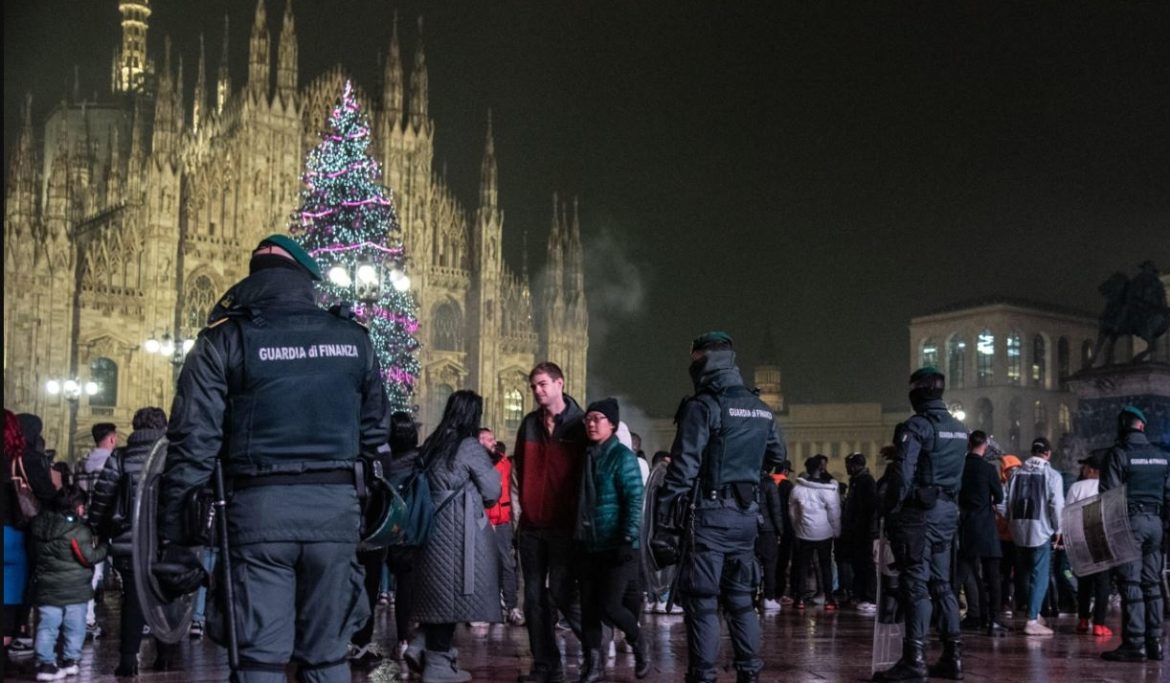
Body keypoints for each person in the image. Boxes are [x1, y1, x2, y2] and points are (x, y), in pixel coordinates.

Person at [156, 234, 389, 683]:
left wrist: (178, 540)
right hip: (335, 517)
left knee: (259, 658)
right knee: (328, 657)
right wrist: (366, 515)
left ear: (253, 280)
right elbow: (376, 439)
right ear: (305, 280)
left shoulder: (224, 339)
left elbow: (193, 444)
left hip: (257, 515)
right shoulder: (353, 339)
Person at [652, 331, 787, 683]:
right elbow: (778, 455)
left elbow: (683, 469)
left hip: (709, 517)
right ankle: (749, 674)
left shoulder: (703, 406)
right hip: (746, 517)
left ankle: (703, 676)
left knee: (703, 601)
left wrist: (664, 522)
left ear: (702, 359)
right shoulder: (761, 408)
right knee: (742, 600)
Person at [874, 368, 967, 683]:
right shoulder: (959, 429)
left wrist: (890, 506)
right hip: (947, 512)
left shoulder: (917, 426)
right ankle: (953, 658)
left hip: (919, 515)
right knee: (942, 584)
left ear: (916, 393)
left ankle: (914, 660)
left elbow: (903, 474)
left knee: (915, 584)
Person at [410, 391, 501, 683]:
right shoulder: (468, 446)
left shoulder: (433, 443)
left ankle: (420, 645)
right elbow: (493, 489)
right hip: (458, 530)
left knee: (439, 592)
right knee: (452, 596)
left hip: (430, 527)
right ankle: (437, 667)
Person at [512, 361, 589, 683]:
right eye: (533, 386)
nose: (537, 391)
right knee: (532, 599)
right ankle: (545, 664)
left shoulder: (580, 425)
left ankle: (595, 646)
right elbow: (520, 467)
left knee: (561, 592)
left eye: (542, 384)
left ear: (560, 383)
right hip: (532, 526)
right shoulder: (529, 424)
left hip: (564, 526)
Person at [89, 406, 179, 676]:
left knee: (132, 599)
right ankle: (165, 656)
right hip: (164, 541)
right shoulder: (173, 455)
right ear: (163, 427)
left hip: (129, 541)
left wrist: (96, 526)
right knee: (164, 595)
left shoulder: (121, 456)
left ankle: (128, 660)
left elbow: (103, 495)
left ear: (136, 427)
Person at [575, 398, 649, 681]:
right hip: (589, 543)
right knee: (589, 609)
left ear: (613, 425)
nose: (592, 424)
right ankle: (594, 665)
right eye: (588, 419)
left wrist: (627, 536)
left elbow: (634, 500)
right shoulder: (587, 456)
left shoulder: (622, 457)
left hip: (617, 545)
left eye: (598, 419)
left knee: (610, 605)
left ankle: (638, 640)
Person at [1099, 406, 1170, 661]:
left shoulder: (1118, 454)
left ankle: (1135, 643)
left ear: (1122, 426)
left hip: (1130, 523)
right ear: (1142, 426)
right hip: (1156, 524)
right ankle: (1155, 644)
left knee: (1131, 582)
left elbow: (1109, 497)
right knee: (1152, 583)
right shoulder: (1162, 457)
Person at [29, 486, 107, 682]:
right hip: (75, 590)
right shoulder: (78, 531)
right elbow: (89, 558)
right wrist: (105, 547)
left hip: (47, 589)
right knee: (75, 626)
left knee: (47, 626)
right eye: (83, 505)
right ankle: (71, 661)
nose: (84, 510)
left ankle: (46, 664)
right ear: (77, 506)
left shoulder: (39, 525)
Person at [1005, 436, 1065, 637]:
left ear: (1032, 452)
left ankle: (1033, 611)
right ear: (1048, 454)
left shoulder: (1015, 474)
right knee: (1040, 576)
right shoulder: (1052, 475)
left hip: (1018, 530)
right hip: (1040, 531)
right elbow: (1056, 505)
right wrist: (1058, 529)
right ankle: (1031, 620)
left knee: (1022, 573)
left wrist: (1010, 521)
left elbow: (1003, 501)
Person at [956, 430, 1007, 636]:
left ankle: (967, 615)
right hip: (986, 527)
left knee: (965, 573)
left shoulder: (960, 467)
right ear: (985, 446)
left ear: (968, 444)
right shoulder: (988, 469)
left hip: (966, 527)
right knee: (992, 577)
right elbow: (999, 496)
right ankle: (994, 621)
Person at [384, 412, 422, 661]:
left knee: (401, 587)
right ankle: (411, 638)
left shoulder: (385, 463)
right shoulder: (419, 463)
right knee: (412, 586)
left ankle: (402, 638)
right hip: (415, 531)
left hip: (391, 532)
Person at [1066, 451, 1112, 638]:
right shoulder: (1110, 486)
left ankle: (1083, 620)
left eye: (1084, 467)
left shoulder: (1076, 487)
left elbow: (1067, 514)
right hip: (1101, 540)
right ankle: (1099, 625)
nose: (1082, 470)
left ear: (1092, 470)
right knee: (1102, 583)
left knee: (1084, 582)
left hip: (1080, 539)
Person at [789, 456, 841, 610]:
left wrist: (797, 528)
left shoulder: (797, 489)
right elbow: (834, 514)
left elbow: (792, 513)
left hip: (804, 532)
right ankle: (829, 599)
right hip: (825, 533)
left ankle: (799, 599)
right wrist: (836, 531)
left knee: (802, 566)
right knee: (825, 566)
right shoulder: (829, 490)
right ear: (821, 468)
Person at [483, 435, 524, 626]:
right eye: (485, 438)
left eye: (492, 438)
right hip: (482, 521)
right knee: (482, 566)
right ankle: (484, 608)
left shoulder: (507, 465)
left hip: (502, 521)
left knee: (507, 564)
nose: (491, 442)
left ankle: (511, 606)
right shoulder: (476, 465)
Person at [842, 452, 878, 614]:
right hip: (856, 530)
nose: (846, 468)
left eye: (848, 465)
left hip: (863, 531)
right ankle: (858, 594)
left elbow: (869, 508)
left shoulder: (866, 481)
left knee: (866, 564)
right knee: (857, 564)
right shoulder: (856, 481)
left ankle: (869, 597)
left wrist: (868, 529)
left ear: (854, 465)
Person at [755, 468, 784, 611]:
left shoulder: (748, 480)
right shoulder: (769, 483)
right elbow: (775, 510)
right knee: (769, 565)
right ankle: (769, 597)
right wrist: (780, 531)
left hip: (749, 528)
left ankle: (750, 596)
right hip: (767, 530)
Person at [773, 461, 796, 604]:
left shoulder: (767, 483)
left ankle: (767, 591)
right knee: (782, 562)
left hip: (768, 530)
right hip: (785, 529)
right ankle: (779, 593)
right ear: (786, 471)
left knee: (769, 562)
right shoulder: (788, 485)